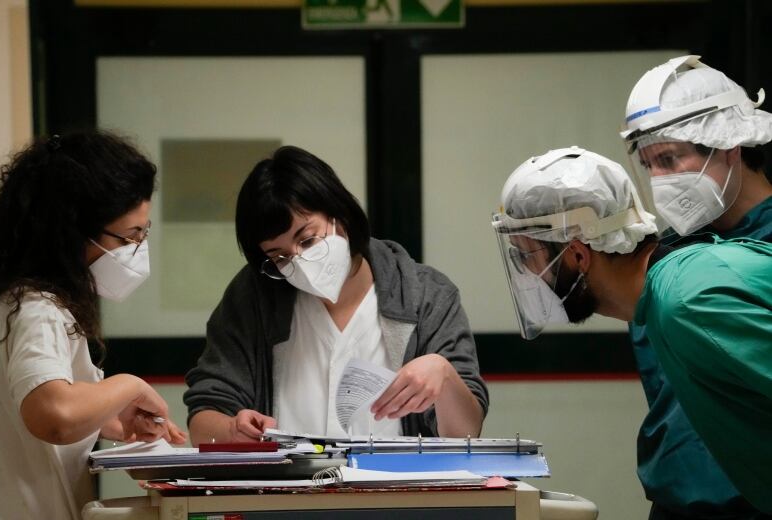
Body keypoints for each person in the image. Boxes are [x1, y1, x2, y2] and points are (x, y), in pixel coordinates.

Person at [491, 146, 772, 515]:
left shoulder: (687, 300)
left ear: (577, 254)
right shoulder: (660, 300)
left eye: (528, 255)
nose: (529, 274)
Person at [184, 145, 488, 443]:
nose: (299, 262)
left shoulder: (426, 296)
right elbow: (202, 422)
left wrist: (444, 374)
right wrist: (233, 430)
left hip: (398, 489)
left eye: (307, 240)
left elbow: (467, 433)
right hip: (287, 490)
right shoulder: (254, 297)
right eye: (280, 257)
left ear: (339, 216)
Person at [0, 130, 186, 520]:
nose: (138, 249)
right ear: (73, 230)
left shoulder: (11, 299)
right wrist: (128, 385)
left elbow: (25, 410)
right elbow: (54, 416)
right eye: (130, 236)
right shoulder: (36, 308)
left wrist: (107, 419)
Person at [621, 55, 772, 519]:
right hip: (675, 506)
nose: (660, 182)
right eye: (649, 165)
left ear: (729, 146)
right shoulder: (665, 262)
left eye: (671, 159)